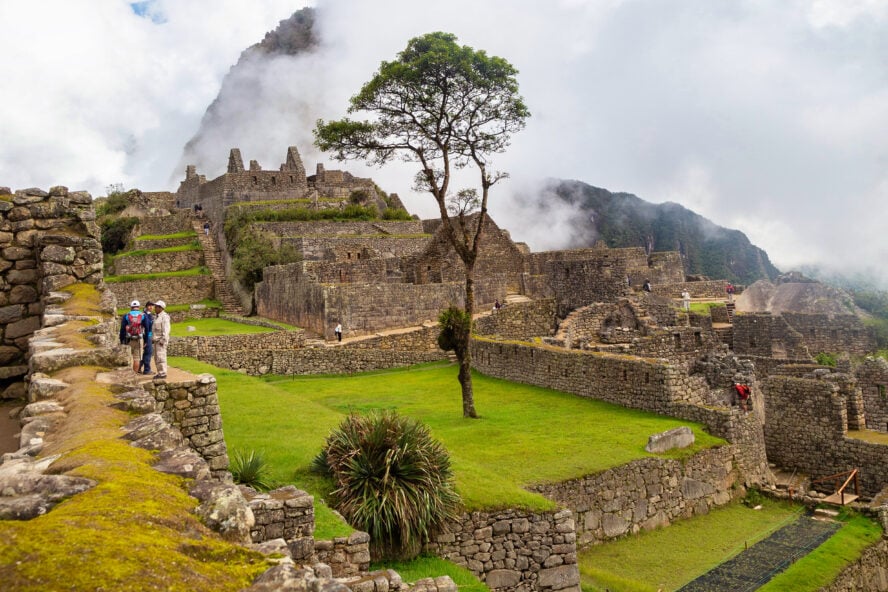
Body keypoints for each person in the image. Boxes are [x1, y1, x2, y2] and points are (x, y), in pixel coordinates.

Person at [119, 300, 145, 373]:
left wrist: (121, 340)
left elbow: (122, 329)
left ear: (131, 307)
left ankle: (127, 374)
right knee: (136, 358)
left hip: (128, 339)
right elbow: (147, 328)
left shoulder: (126, 316)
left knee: (127, 356)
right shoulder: (142, 315)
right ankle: (135, 375)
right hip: (138, 339)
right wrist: (146, 340)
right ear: (138, 307)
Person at [152, 300, 170, 379]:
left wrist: (163, 340)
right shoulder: (156, 317)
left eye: (156, 307)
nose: (155, 308)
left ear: (161, 308)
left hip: (161, 341)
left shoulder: (164, 317)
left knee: (161, 357)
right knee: (156, 358)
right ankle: (160, 372)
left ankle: (163, 373)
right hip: (156, 340)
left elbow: (166, 330)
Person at [139, 301, 155, 375]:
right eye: (149, 306)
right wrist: (146, 340)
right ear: (146, 307)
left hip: (148, 336)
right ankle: (147, 370)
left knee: (145, 353)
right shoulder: (146, 315)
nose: (151, 307)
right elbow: (147, 328)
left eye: (152, 306)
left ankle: (139, 367)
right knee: (148, 353)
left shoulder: (149, 315)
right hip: (146, 336)